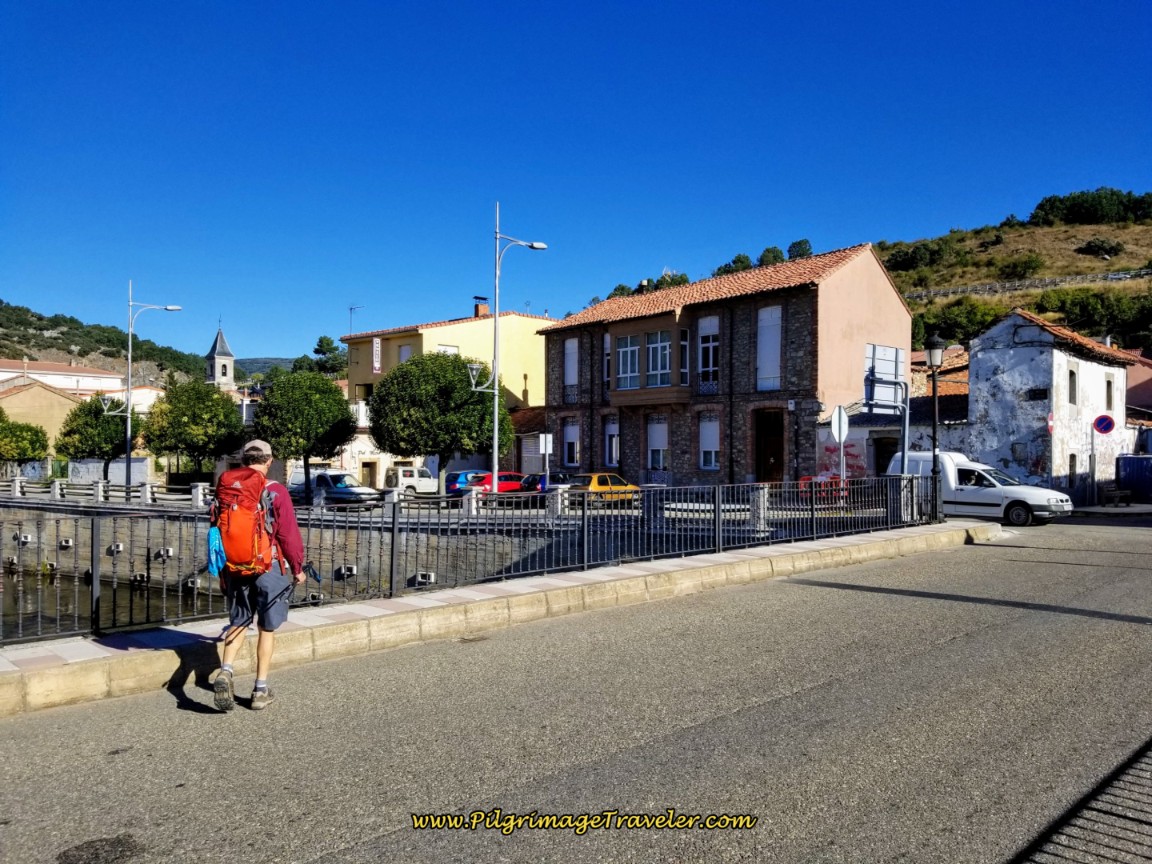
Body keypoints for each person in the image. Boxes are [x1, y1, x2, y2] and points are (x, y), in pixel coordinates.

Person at [213, 440, 306, 711]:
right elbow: (288, 534)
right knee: (266, 627)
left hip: (234, 566)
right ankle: (260, 690)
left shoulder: (227, 490)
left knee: (239, 620)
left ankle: (226, 671)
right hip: (268, 567)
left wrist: (222, 571)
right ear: (269, 461)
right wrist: (297, 568)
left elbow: (216, 531)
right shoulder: (276, 491)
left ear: (243, 460)